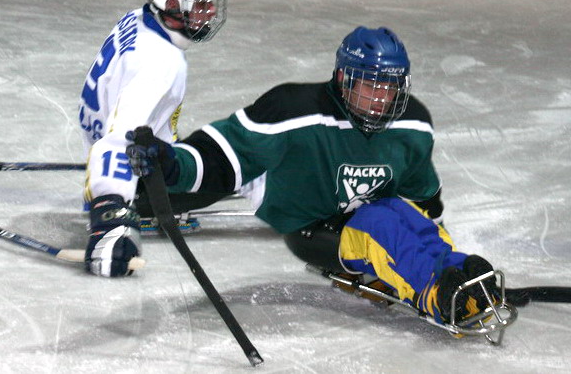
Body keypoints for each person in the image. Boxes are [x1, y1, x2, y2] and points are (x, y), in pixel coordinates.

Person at [126, 26, 498, 325]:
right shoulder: (294, 110)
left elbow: (423, 199)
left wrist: (439, 249)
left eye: (390, 88)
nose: (380, 100)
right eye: (371, 86)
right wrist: (169, 164)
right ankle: (438, 295)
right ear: (343, 78)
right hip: (309, 225)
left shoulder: (413, 123)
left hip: (363, 214)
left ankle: (461, 275)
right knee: (379, 224)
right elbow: (222, 155)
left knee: (399, 216)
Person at [78, 0, 227, 277]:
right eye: (200, 3)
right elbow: (119, 141)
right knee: (233, 162)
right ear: (172, 5)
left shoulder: (140, 17)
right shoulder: (160, 64)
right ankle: (137, 196)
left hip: (106, 124)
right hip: (138, 166)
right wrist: (110, 217)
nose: (211, 10)